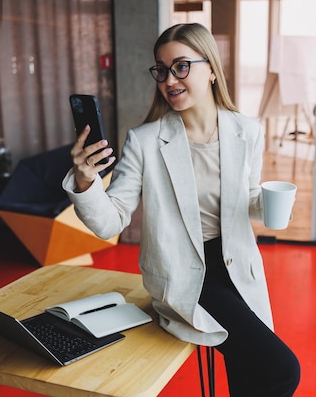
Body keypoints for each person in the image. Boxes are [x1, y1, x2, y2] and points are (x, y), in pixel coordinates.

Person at [62, 22, 300, 396]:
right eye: (162, 69)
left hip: (239, 266)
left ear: (211, 70)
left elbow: (246, 199)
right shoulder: (145, 142)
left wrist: (272, 203)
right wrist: (85, 181)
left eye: (181, 66)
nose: (169, 79)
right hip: (184, 275)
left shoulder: (246, 131)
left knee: (249, 374)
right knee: (283, 369)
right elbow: (111, 221)